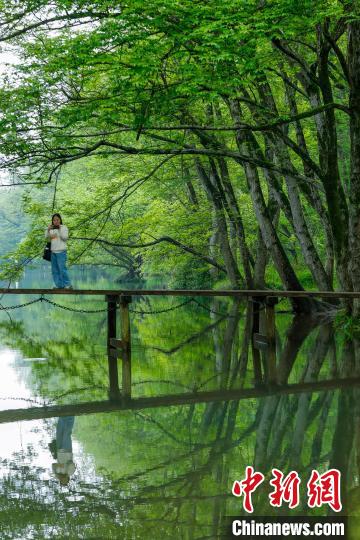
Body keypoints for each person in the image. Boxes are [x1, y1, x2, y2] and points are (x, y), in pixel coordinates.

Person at [45, 213, 72, 289]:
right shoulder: (51, 229)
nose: (56, 221)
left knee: (62, 269)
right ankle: (59, 285)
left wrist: (59, 230)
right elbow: (46, 237)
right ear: (52, 221)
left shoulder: (64, 227)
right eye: (54, 220)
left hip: (61, 252)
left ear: (60, 220)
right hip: (53, 252)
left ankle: (68, 285)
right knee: (54, 271)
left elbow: (65, 238)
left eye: (57, 219)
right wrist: (48, 230)